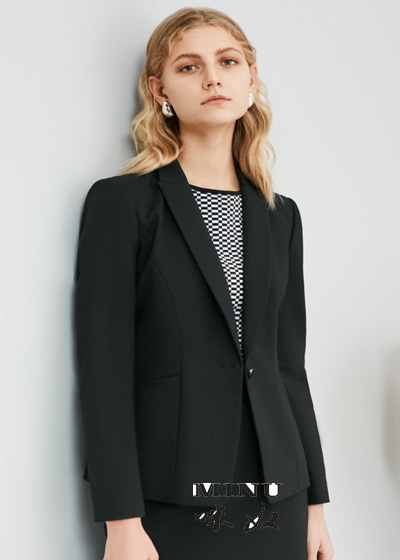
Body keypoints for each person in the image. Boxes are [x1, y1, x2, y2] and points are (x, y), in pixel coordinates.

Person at [74, 7, 334, 560]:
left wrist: (316, 505)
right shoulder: (123, 204)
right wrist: (122, 520)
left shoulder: (280, 215)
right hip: (173, 495)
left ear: (251, 78)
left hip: (280, 495)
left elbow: (289, 368)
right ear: (159, 90)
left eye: (228, 61)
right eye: (189, 66)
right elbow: (104, 373)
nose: (213, 78)